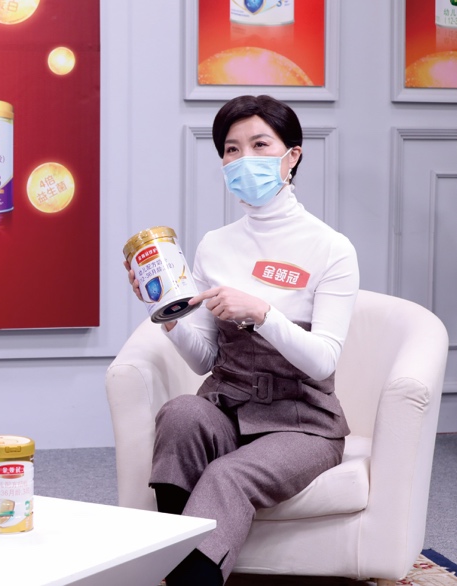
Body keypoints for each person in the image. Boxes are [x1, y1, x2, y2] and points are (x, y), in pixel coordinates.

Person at [124, 95, 359, 585]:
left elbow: (323, 361)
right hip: (228, 407)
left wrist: (263, 313)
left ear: (292, 155)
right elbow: (204, 359)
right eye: (232, 149)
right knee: (180, 414)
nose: (243, 159)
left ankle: (191, 579)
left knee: (227, 475)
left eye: (260, 145)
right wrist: (165, 314)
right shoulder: (216, 244)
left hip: (302, 423)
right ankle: (174, 564)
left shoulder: (331, 249)